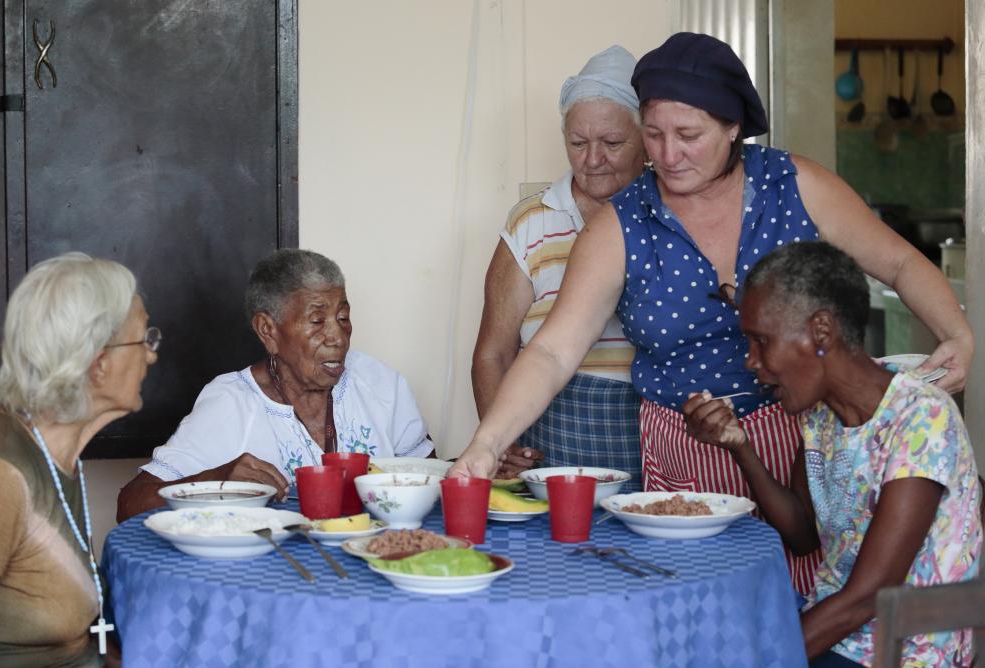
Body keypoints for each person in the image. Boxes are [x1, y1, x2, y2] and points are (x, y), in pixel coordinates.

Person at [449, 32, 973, 595]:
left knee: (803, 592)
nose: (667, 155)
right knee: (697, 607)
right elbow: (552, 351)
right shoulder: (624, 222)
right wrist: (486, 443)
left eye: (688, 135)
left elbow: (897, 261)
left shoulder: (794, 184)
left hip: (799, 441)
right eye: (653, 134)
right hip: (683, 447)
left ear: (732, 128)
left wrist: (958, 333)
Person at [683, 241, 981, 667]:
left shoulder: (921, 418)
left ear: (821, 332)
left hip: (907, 650)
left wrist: (762, 657)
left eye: (760, 341)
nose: (750, 361)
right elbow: (803, 536)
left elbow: (869, 597)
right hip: (840, 632)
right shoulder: (820, 416)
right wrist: (740, 446)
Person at [116, 249, 433, 522]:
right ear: (268, 330)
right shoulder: (233, 402)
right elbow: (130, 504)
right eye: (317, 321)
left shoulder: (380, 383)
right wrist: (215, 481)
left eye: (343, 317)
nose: (337, 337)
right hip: (272, 581)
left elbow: (434, 481)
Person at [472, 45, 644, 485]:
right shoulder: (533, 221)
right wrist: (501, 443)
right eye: (578, 142)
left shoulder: (671, 215)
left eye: (612, 143)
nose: (592, 159)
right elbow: (493, 351)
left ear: (647, 138)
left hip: (650, 435)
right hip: (551, 433)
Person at [0, 252, 158, 667]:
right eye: (144, 339)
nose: (151, 355)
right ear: (99, 363)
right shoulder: (1, 472)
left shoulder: (61, 456)